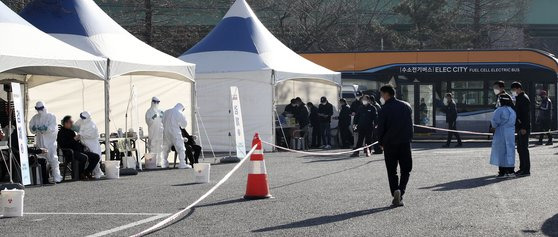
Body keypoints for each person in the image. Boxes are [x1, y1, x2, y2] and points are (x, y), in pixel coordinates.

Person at [377, 85, 413, 207]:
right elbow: (410, 125)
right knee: (406, 169)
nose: (381, 97)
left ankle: (395, 192)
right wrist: (409, 139)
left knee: (391, 171)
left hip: (389, 144)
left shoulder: (384, 109)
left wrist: (380, 142)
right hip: (404, 143)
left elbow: (380, 128)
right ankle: (401, 191)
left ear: (386, 94)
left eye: (381, 94)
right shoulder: (406, 106)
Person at [57, 116, 101, 180]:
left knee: (96, 156)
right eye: (71, 122)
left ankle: (86, 172)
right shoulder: (61, 133)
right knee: (84, 157)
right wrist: (74, 139)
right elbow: (64, 145)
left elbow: (76, 142)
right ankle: (80, 174)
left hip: (78, 150)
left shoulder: (71, 131)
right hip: (69, 152)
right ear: (66, 123)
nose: (72, 124)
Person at [29, 101, 62, 183]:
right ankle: (42, 178)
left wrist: (46, 129)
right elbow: (31, 127)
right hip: (40, 142)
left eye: (40, 108)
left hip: (50, 142)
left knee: (53, 160)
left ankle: (57, 177)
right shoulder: (35, 117)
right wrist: (33, 129)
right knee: (41, 160)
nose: (39, 110)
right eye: (37, 109)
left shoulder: (51, 116)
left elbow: (53, 128)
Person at [490, 94, 516, 178]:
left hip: (501, 132)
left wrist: (493, 127)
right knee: (510, 150)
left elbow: (494, 122)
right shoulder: (512, 110)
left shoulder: (499, 110)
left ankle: (502, 171)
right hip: (510, 133)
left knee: (501, 151)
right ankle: (511, 170)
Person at [75, 111, 104, 179]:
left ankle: (97, 172)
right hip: (84, 143)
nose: (82, 119)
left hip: (92, 143)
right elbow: (75, 126)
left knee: (95, 156)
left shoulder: (92, 125)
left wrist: (81, 134)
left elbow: (91, 135)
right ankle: (88, 172)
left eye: (83, 118)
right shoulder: (81, 121)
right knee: (89, 157)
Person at [161, 103, 190, 169]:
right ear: (182, 108)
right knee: (181, 148)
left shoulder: (166, 112)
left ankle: (164, 163)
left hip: (166, 132)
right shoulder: (179, 113)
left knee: (165, 148)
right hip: (175, 132)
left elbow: (162, 121)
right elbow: (184, 124)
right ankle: (182, 163)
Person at [511, 82, 531, 176]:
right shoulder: (519, 98)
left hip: (523, 128)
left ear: (518, 88)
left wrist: (524, 127)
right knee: (520, 149)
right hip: (520, 127)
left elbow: (526, 115)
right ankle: (522, 168)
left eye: (514, 90)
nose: (513, 92)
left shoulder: (524, 98)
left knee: (524, 149)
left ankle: (526, 170)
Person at [145, 97, 164, 166]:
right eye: (155, 102)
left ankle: (159, 161)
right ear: (152, 102)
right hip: (153, 132)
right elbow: (148, 122)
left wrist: (162, 116)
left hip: (159, 132)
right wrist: (153, 117)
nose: (156, 104)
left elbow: (163, 120)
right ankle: (152, 162)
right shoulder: (149, 112)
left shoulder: (160, 111)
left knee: (160, 146)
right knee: (152, 146)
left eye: (158, 102)